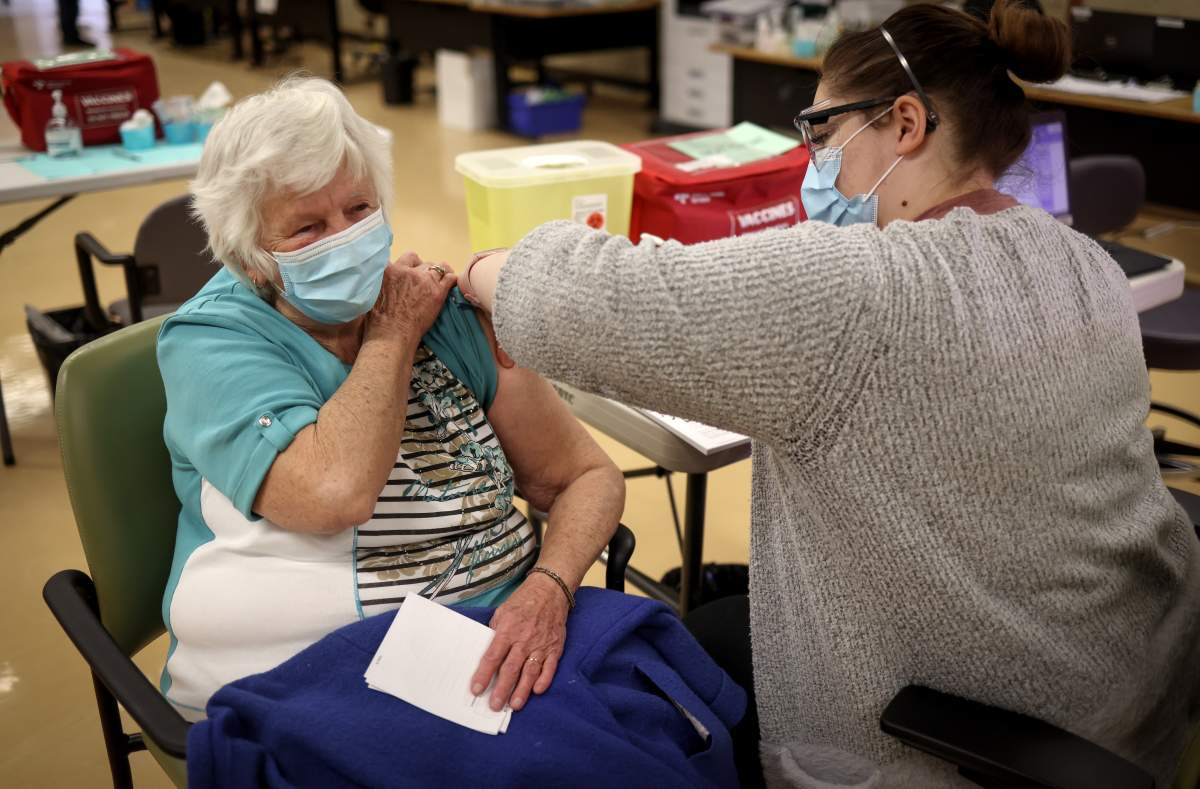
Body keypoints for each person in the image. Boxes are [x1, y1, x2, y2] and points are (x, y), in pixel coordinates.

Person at [457, 1, 1200, 786]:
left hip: (955, 745)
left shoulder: (867, 288)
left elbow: (594, 302)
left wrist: (476, 270)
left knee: (686, 641)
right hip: (1134, 700)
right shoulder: (1087, 265)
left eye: (823, 132)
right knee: (721, 618)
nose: (814, 162)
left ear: (906, 122)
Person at [156, 77, 625, 720]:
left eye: (358, 210)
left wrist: (548, 588)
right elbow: (335, 493)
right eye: (307, 228)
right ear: (253, 259)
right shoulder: (213, 341)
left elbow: (585, 476)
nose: (346, 240)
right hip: (309, 678)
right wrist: (393, 332)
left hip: (503, 642)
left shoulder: (442, 311)